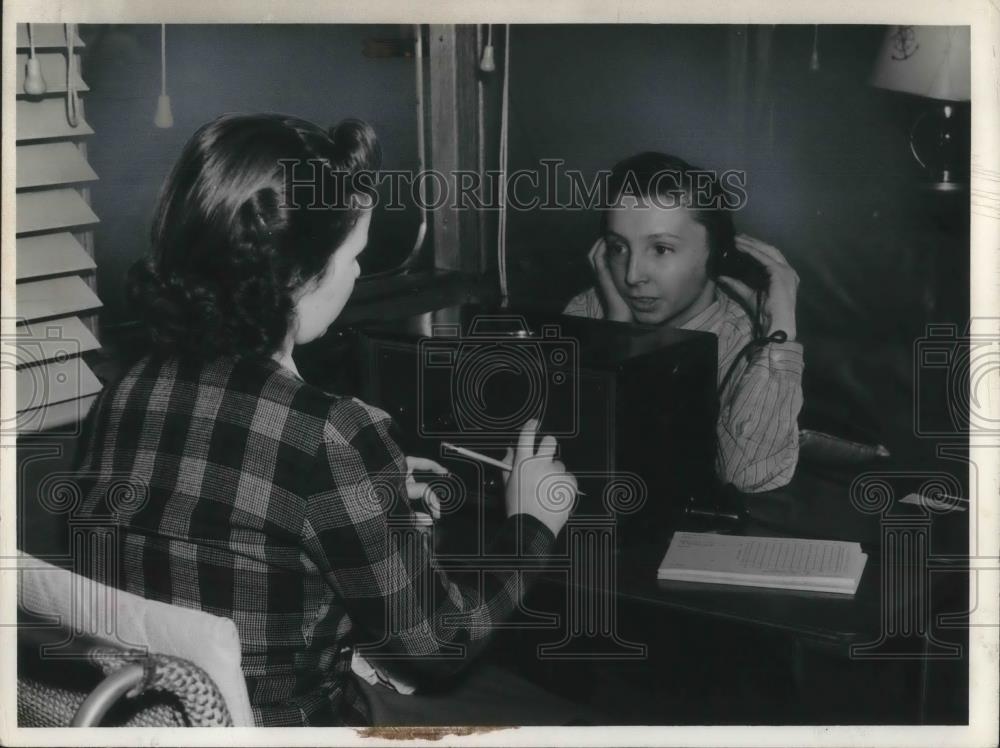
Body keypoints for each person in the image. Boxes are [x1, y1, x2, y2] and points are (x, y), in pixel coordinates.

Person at [71, 113, 579, 726]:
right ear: (290, 274)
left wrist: (369, 493)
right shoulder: (330, 433)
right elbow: (442, 644)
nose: (360, 272)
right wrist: (530, 523)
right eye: (354, 254)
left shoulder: (121, 395)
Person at [564, 152, 803, 492]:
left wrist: (780, 329)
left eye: (660, 249)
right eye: (618, 248)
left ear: (715, 254)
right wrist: (617, 330)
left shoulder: (748, 340)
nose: (632, 276)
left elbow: (744, 475)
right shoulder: (591, 308)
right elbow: (577, 450)